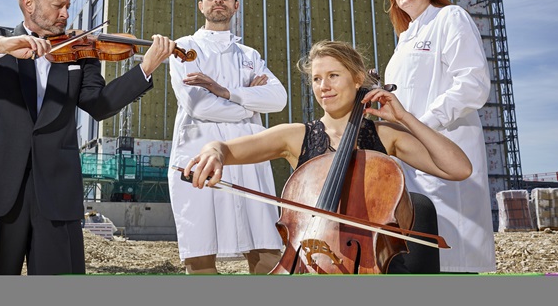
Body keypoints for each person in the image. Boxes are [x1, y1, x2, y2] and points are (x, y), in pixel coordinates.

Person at [0, 0, 176, 275]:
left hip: (56, 189)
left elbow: (100, 104)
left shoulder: (80, 51)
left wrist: (145, 68)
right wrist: (3, 45)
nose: (66, 14)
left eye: (68, 6)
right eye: (58, 6)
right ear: (29, 4)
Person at [182, 40, 473, 274]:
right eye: (317, 79)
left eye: (334, 76)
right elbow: (227, 148)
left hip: (373, 267)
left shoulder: (386, 136)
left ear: (358, 79)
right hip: (307, 263)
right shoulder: (295, 136)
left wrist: (405, 117)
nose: (324, 86)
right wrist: (213, 151)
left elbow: (458, 168)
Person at [167, 0, 287, 274]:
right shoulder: (185, 47)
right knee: (200, 255)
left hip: (249, 159)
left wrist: (226, 92)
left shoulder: (250, 55)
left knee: (266, 250)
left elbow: (278, 99)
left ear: (235, 5)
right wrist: (249, 105)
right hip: (199, 158)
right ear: (201, 5)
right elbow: (198, 104)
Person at [382, 0, 496, 274]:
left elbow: (472, 84)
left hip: (446, 145)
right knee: (422, 251)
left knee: (454, 253)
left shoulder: (450, 18)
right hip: (413, 158)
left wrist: (421, 125)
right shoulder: (403, 42)